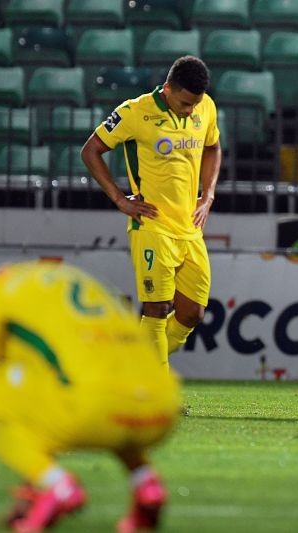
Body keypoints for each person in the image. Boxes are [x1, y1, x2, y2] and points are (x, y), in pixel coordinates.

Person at [0, 262, 181, 532]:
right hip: (162, 406)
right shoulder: (76, 282)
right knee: (98, 389)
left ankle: (55, 484)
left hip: (88, 410)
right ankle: (145, 482)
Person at [81, 55, 221, 370]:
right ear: (168, 88)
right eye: (185, 103)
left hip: (189, 228)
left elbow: (213, 147)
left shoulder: (205, 107)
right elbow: (91, 150)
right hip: (152, 225)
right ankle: (152, 388)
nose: (190, 110)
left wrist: (208, 194)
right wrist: (119, 199)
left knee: (192, 314)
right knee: (156, 308)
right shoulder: (135, 112)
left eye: (195, 105)